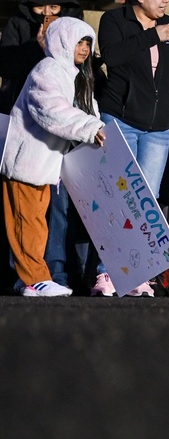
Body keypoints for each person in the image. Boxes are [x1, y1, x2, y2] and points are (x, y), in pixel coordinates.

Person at [93, 0, 169, 297]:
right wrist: (150, 36)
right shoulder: (114, 21)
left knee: (146, 203)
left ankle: (136, 275)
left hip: (158, 128)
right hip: (121, 120)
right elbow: (112, 57)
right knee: (118, 198)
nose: (166, 1)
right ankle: (105, 274)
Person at [1, 16, 105, 296]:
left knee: (35, 221)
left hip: (45, 163)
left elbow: (87, 109)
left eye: (87, 43)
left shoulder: (74, 74)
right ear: (62, 40)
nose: (84, 48)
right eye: (78, 42)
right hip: (28, 161)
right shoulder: (47, 70)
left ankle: (31, 282)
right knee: (28, 222)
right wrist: (90, 128)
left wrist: (97, 127)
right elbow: (51, 110)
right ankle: (36, 278)